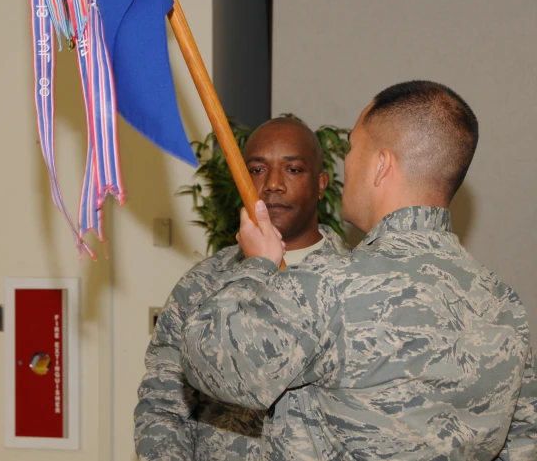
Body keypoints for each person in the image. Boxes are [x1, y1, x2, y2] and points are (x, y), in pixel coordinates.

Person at [180, 80, 537, 459]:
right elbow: (524, 441)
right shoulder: (503, 304)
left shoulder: (329, 285)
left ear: (381, 165)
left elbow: (213, 365)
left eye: (352, 148)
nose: (345, 163)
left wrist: (255, 266)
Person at [135, 117, 348, 460]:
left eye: (293, 170)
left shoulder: (354, 283)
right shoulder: (202, 284)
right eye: (257, 170)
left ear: (321, 184)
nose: (273, 185)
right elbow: (163, 403)